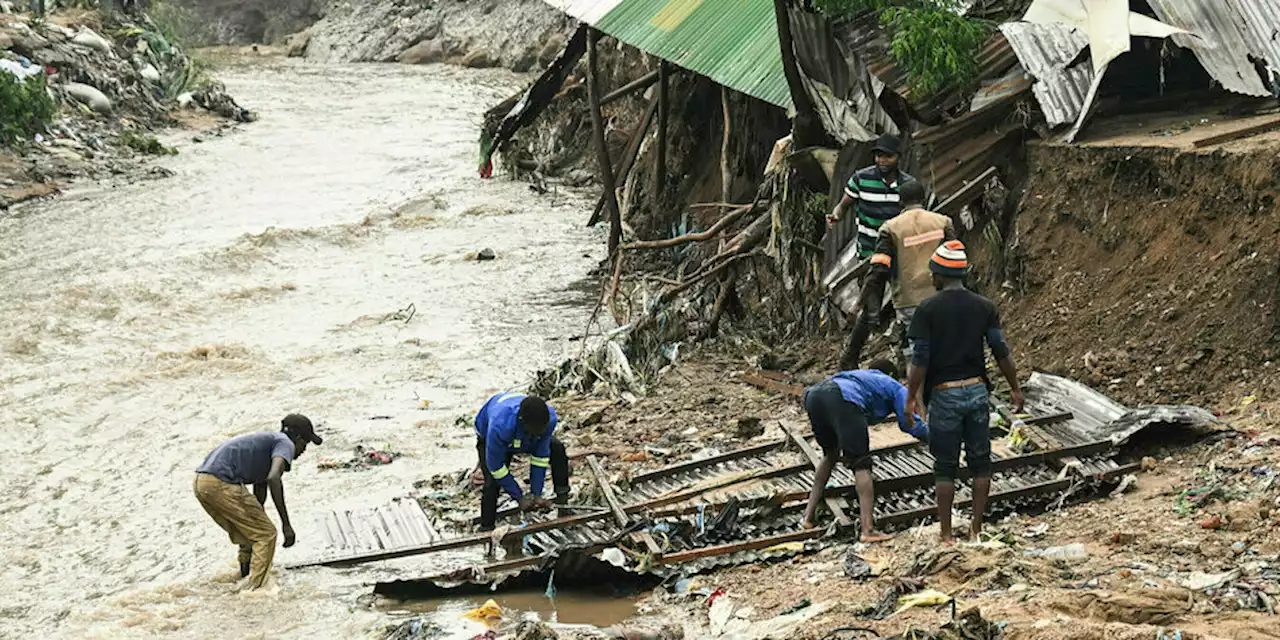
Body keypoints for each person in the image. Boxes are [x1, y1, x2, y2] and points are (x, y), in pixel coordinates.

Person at [906, 241, 1024, 544]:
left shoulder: (927, 309)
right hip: (977, 391)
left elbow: (920, 359)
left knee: (945, 467)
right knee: (980, 462)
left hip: (945, 394)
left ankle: (946, 534)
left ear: (938, 275)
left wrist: (911, 397)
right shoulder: (984, 306)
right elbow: (1000, 350)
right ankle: (976, 530)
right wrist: (1014, 387)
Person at [800, 358, 928, 541]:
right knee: (861, 463)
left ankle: (807, 518)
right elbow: (909, 424)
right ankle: (867, 530)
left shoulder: (860, 377)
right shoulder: (894, 385)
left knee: (830, 454)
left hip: (814, 396)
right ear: (892, 375)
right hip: (843, 398)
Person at [193, 414, 322, 590]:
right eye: (305, 443)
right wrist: (286, 524)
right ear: (297, 437)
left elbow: (260, 486)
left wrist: (258, 515)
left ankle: (244, 577)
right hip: (221, 483)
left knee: (251, 533)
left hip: (202, 483)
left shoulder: (267, 443)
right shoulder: (285, 443)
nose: (303, 450)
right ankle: (255, 591)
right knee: (266, 534)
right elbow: (273, 478)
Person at [843, 180, 955, 370]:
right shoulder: (943, 221)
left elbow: (878, 270)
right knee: (945, 346)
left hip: (909, 299)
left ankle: (916, 395)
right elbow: (955, 259)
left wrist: (859, 303)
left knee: (917, 353)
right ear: (924, 198)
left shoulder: (890, 228)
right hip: (942, 297)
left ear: (900, 202)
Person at [827, 133, 915, 370]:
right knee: (870, 312)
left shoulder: (908, 185)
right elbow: (844, 205)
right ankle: (849, 359)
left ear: (898, 157)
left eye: (887, 156)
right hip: (868, 256)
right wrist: (836, 216)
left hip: (899, 257)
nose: (881, 161)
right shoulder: (861, 179)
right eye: (878, 156)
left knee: (905, 308)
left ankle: (906, 360)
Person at [474, 392, 570, 531]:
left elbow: (541, 457)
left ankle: (563, 503)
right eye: (536, 432)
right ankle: (486, 528)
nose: (539, 434)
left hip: (524, 435)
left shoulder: (550, 420)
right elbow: (496, 467)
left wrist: (536, 493)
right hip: (491, 434)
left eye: (540, 432)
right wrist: (519, 496)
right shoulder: (500, 426)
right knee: (492, 482)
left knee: (557, 449)